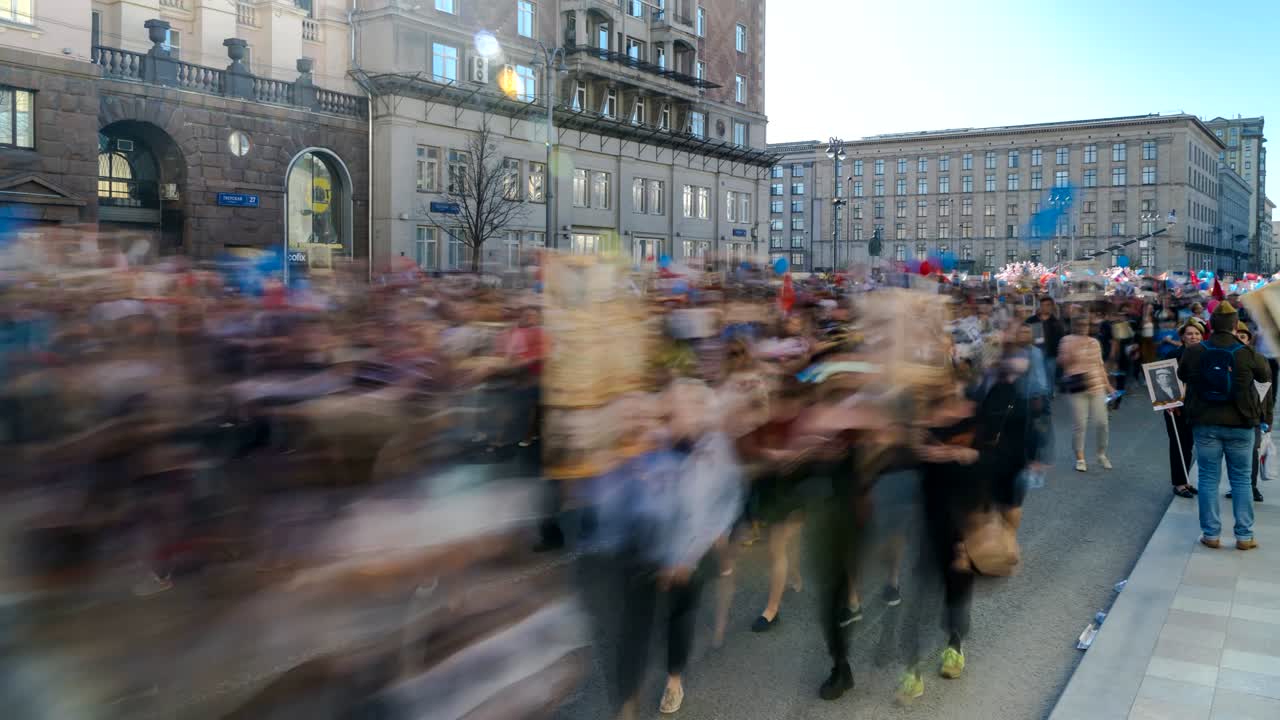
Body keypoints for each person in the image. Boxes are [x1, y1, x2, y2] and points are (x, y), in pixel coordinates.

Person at [1177, 301, 1270, 550]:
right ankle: (1244, 536)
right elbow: (1265, 376)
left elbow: (1182, 375)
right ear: (1234, 326)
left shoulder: (1196, 351)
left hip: (1205, 422)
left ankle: (1211, 534)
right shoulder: (1246, 352)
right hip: (1241, 423)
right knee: (1241, 480)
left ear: (1211, 325)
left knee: (1208, 478)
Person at [1058, 314, 1114, 472]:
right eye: (1080, 324)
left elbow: (1100, 365)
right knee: (1080, 424)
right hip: (1077, 387)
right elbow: (1062, 363)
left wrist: (1108, 385)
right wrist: (1072, 353)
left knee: (1102, 422)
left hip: (1096, 386)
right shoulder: (1066, 340)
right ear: (1074, 325)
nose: (1083, 327)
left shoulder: (1094, 342)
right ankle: (1080, 458)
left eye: (1086, 324)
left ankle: (1101, 454)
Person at [1225, 321, 1268, 503]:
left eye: (1243, 337)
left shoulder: (1258, 358)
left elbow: (1268, 390)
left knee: (1252, 452)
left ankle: (1252, 486)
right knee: (1234, 454)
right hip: (1231, 414)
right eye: (1238, 337)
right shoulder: (1226, 358)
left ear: (1249, 340)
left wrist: (1268, 419)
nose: (1240, 340)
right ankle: (1236, 487)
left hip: (1254, 414)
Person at [1165, 321, 1201, 498]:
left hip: (1197, 406)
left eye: (1197, 334)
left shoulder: (1205, 354)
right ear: (1182, 337)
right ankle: (1179, 483)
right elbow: (1162, 380)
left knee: (1189, 444)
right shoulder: (1173, 355)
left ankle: (1186, 480)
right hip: (1175, 406)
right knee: (1178, 444)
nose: (1193, 336)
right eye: (1189, 334)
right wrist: (1168, 403)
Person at [1024, 297, 1064, 392]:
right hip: (1035, 353)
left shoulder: (1056, 322)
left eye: (1048, 305)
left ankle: (1047, 398)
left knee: (1049, 378)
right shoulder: (1032, 320)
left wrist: (1059, 355)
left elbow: (1061, 339)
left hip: (1051, 354)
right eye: (1042, 305)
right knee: (1036, 376)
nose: (1045, 308)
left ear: (1051, 307)